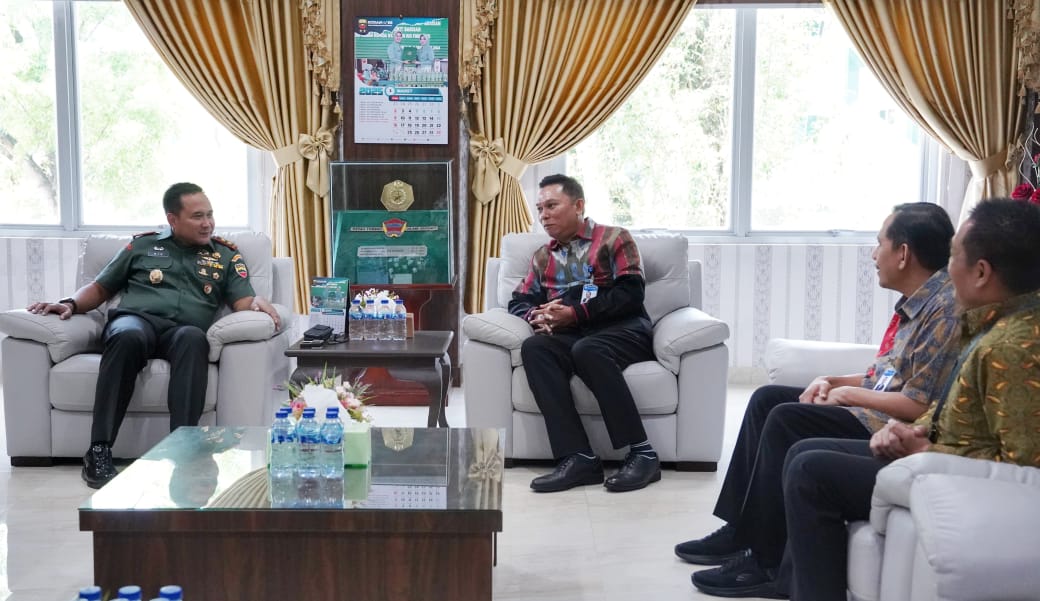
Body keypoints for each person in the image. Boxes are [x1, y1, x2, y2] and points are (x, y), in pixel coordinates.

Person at [679, 203, 960, 598]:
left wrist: (847, 395)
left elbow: (918, 405)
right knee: (766, 399)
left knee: (786, 419)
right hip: (876, 409)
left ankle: (764, 560)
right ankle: (740, 530)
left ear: (903, 253)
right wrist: (832, 380)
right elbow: (887, 376)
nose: (873, 254)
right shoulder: (919, 302)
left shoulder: (944, 310)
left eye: (879, 243)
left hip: (890, 425)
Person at [782, 198, 1040, 601]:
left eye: (953, 257)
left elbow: (1025, 467)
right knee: (804, 453)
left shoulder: (1011, 347)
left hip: (951, 473)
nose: (946, 271)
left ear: (981, 272)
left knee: (810, 472)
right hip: (934, 452)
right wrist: (914, 432)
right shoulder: (995, 325)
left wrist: (924, 450)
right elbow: (953, 410)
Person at [26, 182, 280, 488]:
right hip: (136, 322)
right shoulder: (142, 246)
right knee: (126, 336)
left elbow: (241, 301)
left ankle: (184, 450)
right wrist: (70, 303)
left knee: (193, 340)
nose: (207, 223)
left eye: (210, 215)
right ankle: (99, 450)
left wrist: (256, 302)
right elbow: (101, 287)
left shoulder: (225, 255)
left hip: (182, 331)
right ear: (173, 219)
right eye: (197, 216)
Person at [509, 174, 661, 493]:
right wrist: (537, 316)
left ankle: (643, 454)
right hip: (575, 332)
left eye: (552, 206)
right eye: (540, 209)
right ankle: (579, 457)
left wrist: (576, 313)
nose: (544, 215)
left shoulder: (614, 238)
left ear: (578, 205)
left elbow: (631, 293)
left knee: (588, 349)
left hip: (623, 328)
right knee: (536, 348)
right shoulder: (543, 256)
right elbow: (519, 300)